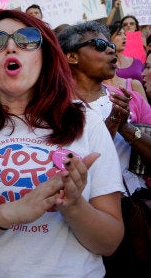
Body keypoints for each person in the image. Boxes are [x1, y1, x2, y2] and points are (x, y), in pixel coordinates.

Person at [0, 10, 124, 277]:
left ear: (45, 58)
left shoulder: (86, 122)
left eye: (27, 39)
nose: (10, 47)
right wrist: (12, 212)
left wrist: (75, 206)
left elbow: (109, 242)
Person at [58, 21, 151, 276]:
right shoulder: (55, 109)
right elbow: (67, 163)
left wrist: (127, 128)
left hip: (135, 213)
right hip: (85, 217)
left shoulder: (130, 99)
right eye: (100, 45)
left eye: (112, 45)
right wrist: (109, 126)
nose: (111, 51)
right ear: (72, 56)